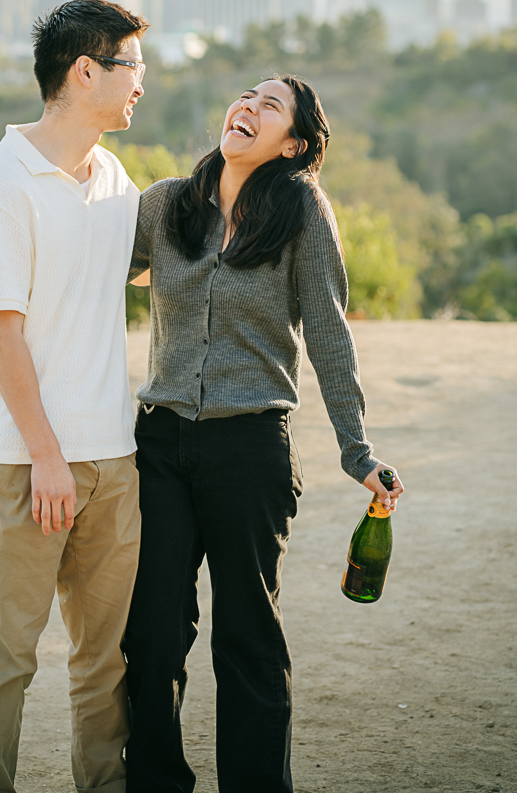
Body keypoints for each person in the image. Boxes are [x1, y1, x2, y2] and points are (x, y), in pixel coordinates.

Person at [123, 74, 405, 793]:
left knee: (246, 637)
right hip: (158, 446)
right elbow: (87, 280)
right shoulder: (164, 204)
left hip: (250, 450)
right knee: (152, 635)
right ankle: (155, 783)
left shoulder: (302, 210)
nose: (247, 107)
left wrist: (357, 451)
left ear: (295, 144)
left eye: (269, 105)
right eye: (245, 96)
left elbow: (329, 334)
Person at [0, 0, 149, 793]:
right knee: (4, 662)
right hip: (27, 468)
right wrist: (45, 457)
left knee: (106, 664)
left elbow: (127, 273)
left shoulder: (112, 175)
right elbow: (1, 333)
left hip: (113, 459)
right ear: (86, 71)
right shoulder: (1, 186)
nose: (143, 84)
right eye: (134, 67)